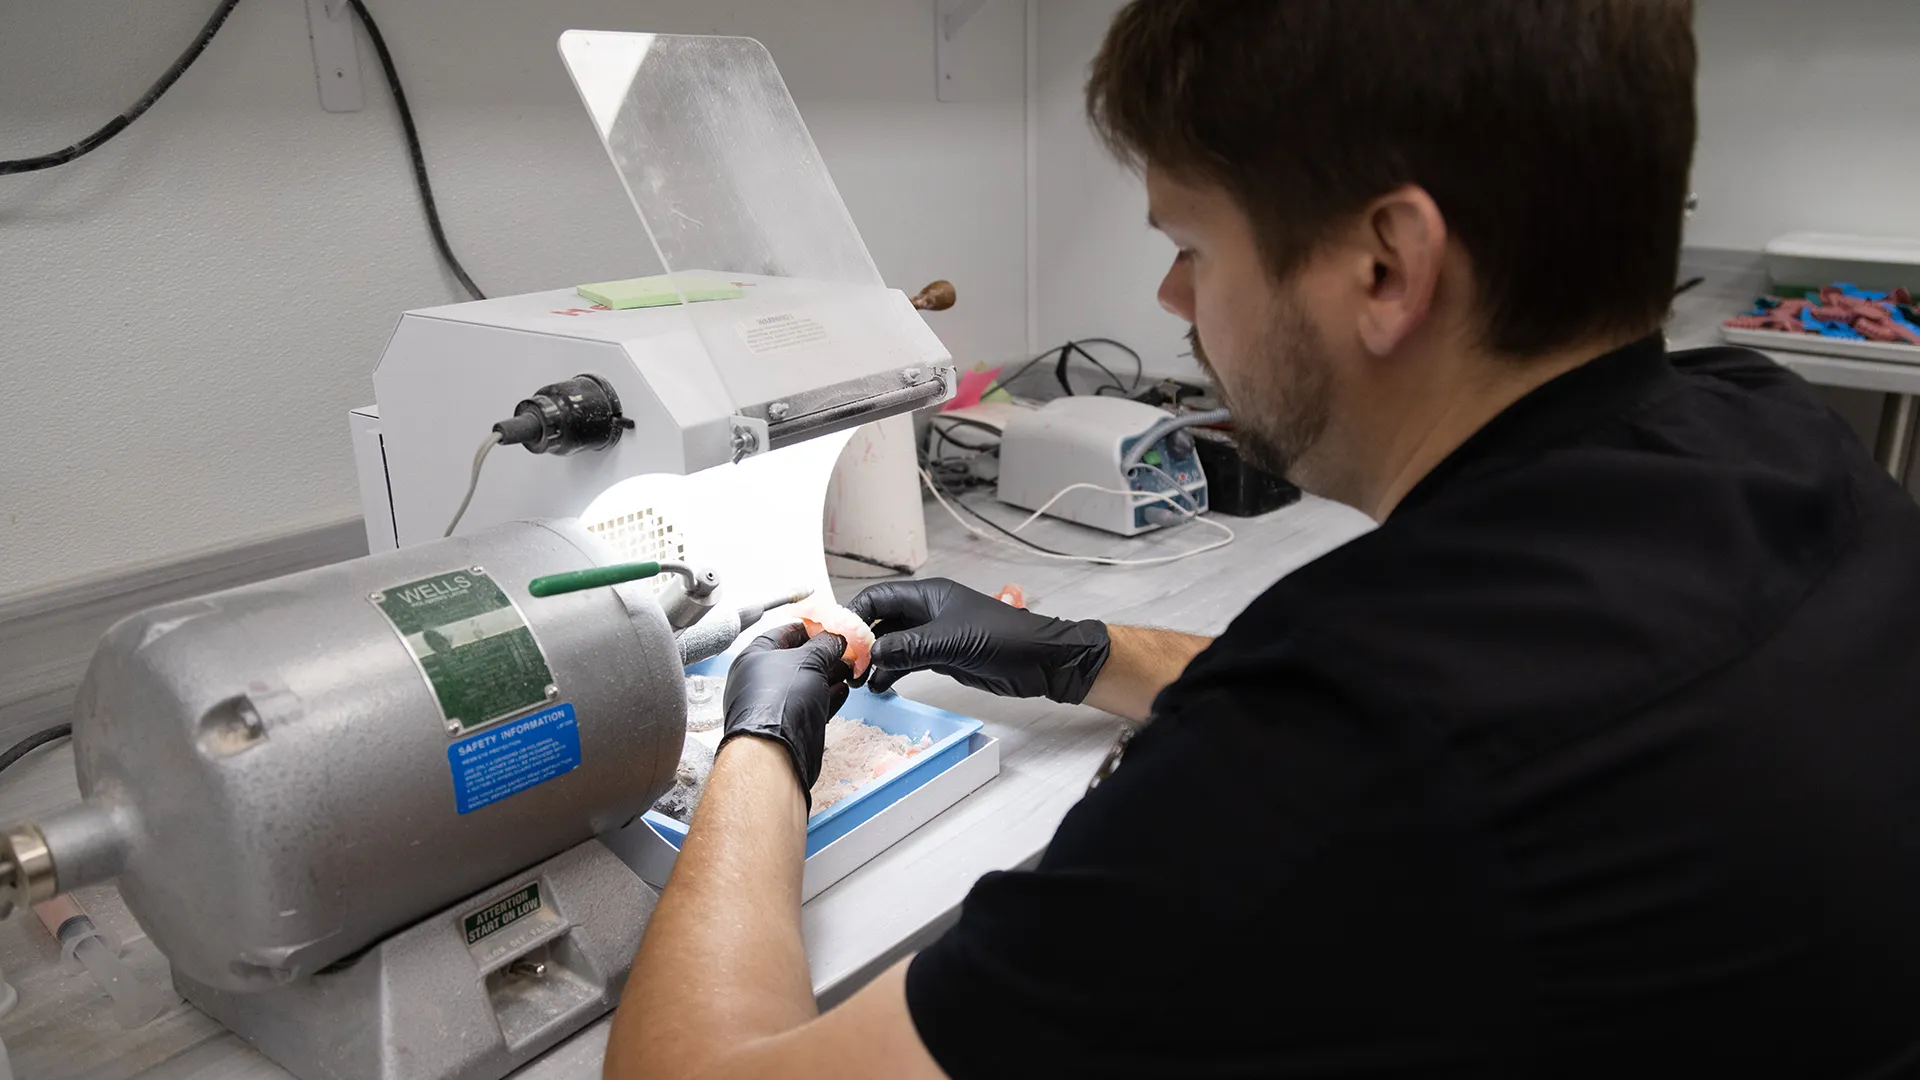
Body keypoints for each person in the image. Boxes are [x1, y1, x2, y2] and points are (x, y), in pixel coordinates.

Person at [603, 2, 1920, 1077]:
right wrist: (1078, 648)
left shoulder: (1335, 763)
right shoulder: (1765, 429)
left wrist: (760, 745)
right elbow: (1479, 692)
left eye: (1189, 243)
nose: (1172, 299)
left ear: (1385, 268)